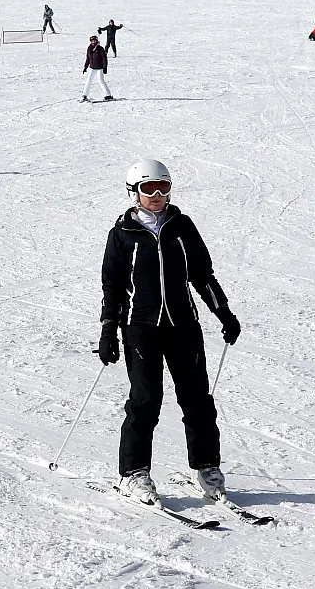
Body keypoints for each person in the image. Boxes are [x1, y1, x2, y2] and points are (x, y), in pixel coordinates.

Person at [98, 159, 241, 505]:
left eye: (164, 187)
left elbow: (203, 275)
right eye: (149, 189)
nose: (158, 195)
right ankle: (133, 474)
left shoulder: (182, 227)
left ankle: (206, 468)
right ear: (134, 192)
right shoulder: (122, 235)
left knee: (198, 401)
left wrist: (224, 313)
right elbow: (113, 287)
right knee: (146, 402)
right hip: (141, 329)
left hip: (183, 327)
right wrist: (108, 331)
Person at [82, 36, 113, 101]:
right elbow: (88, 58)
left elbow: (104, 58)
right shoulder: (89, 48)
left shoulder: (100, 49)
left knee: (101, 81)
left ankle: (108, 95)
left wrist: (105, 67)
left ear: (96, 41)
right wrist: (85, 67)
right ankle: (84, 95)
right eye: (92, 41)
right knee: (88, 81)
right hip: (92, 68)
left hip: (100, 68)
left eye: (94, 41)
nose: (93, 42)